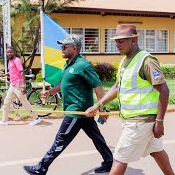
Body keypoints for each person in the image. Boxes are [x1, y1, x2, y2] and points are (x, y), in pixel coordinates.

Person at [85, 24, 175, 175]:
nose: (117, 44)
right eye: (116, 41)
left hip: (140, 122)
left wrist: (160, 121)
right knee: (156, 151)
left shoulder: (146, 61)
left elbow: (164, 91)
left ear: (133, 41)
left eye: (121, 41)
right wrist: (98, 104)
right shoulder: (125, 61)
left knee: (119, 158)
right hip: (136, 120)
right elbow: (116, 87)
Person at [23, 34, 113, 174]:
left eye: (65, 46)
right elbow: (63, 84)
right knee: (96, 137)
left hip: (77, 111)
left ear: (75, 48)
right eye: (61, 46)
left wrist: (102, 108)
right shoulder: (68, 64)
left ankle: (42, 167)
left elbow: (98, 85)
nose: (62, 49)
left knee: (61, 139)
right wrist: (50, 92)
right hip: (82, 112)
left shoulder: (83, 65)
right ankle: (109, 161)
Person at [0, 46, 41, 126]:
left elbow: (22, 72)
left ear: (14, 53)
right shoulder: (10, 61)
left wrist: (23, 86)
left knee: (24, 102)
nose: (9, 53)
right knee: (6, 102)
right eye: (8, 52)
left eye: (11, 52)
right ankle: (4, 121)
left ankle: (36, 118)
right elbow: (13, 71)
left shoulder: (17, 60)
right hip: (13, 85)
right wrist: (5, 74)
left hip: (18, 85)